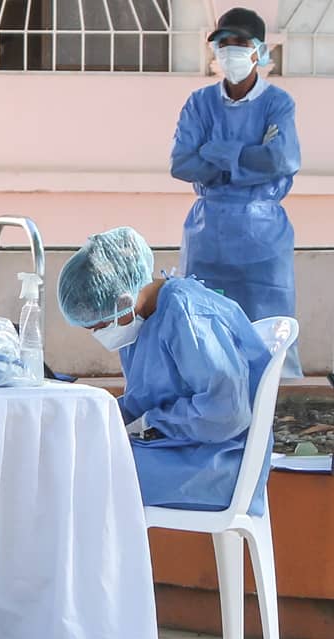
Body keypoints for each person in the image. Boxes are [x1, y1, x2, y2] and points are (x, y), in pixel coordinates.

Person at [58, 227, 274, 515]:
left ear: (123, 302)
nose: (98, 333)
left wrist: (155, 424)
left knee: (80, 474)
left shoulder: (187, 313)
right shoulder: (142, 321)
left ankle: (98, 562)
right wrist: (97, 416)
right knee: (67, 458)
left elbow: (226, 413)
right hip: (181, 451)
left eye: (98, 326)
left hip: (216, 465)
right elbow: (144, 401)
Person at [170, 7, 302, 376]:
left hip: (263, 238)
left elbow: (283, 159)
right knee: (204, 331)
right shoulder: (199, 104)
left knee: (269, 333)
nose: (230, 51)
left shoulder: (278, 103)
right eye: (223, 43)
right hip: (207, 234)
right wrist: (249, 157)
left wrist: (217, 151)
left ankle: (271, 418)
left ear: (259, 51)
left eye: (240, 43)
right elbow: (182, 163)